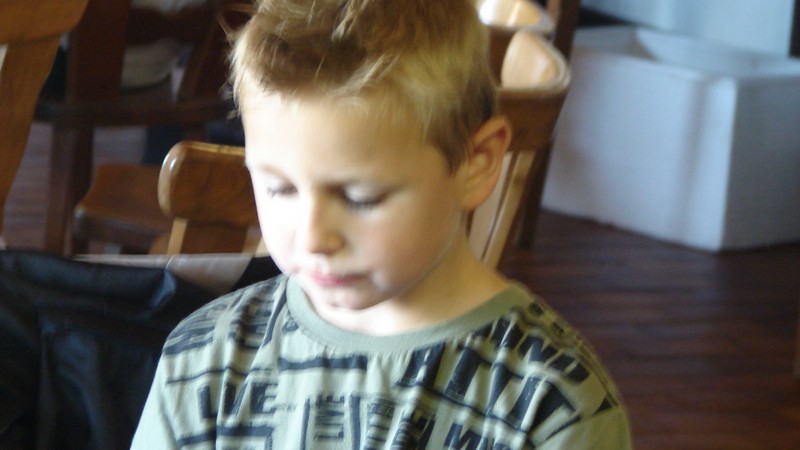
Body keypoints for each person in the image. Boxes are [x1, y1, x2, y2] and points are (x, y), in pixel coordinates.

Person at [131, 0, 633, 448]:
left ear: (476, 163)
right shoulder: (203, 361)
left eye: (361, 198)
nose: (312, 238)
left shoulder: (552, 409)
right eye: (279, 188)